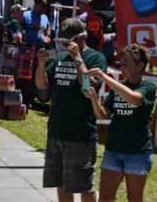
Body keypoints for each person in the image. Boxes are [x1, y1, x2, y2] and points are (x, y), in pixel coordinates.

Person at [35, 18, 107, 202]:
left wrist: (78, 60)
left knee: (84, 185)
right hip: (57, 130)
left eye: (69, 42)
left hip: (80, 134)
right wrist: (42, 64)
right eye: (63, 42)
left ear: (82, 37)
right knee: (61, 183)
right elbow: (42, 87)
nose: (66, 46)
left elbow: (87, 87)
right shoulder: (60, 58)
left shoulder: (95, 58)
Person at [84, 45, 155, 202]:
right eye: (121, 64)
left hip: (138, 152)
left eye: (126, 64)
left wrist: (105, 77)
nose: (122, 68)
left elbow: (134, 99)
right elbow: (102, 114)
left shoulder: (147, 87)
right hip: (114, 150)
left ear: (140, 66)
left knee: (134, 198)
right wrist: (95, 100)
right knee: (106, 197)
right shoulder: (119, 87)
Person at [19, 0, 52, 106]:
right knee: (25, 73)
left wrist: (48, 35)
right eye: (42, 6)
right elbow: (19, 28)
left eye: (45, 7)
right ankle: (24, 96)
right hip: (27, 48)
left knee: (36, 72)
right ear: (36, 5)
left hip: (40, 48)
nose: (43, 9)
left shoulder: (44, 17)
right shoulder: (26, 15)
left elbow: (48, 28)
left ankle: (33, 97)